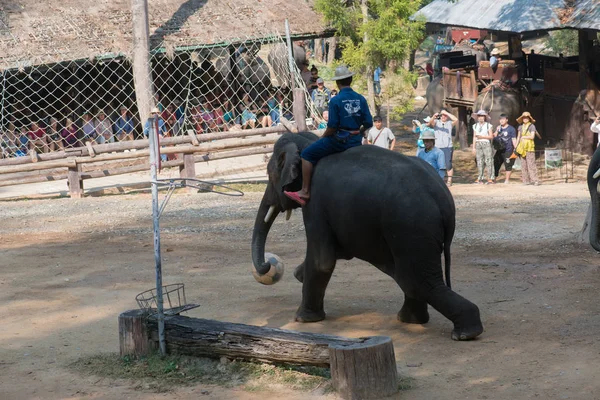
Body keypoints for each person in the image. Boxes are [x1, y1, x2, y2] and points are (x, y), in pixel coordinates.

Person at [284, 65, 373, 206]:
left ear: (338, 83)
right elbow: (368, 122)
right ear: (350, 80)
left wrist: (324, 136)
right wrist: (358, 132)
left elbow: (332, 126)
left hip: (340, 141)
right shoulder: (360, 98)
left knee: (307, 154)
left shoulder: (335, 100)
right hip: (356, 140)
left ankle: (305, 191)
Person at [428, 109, 458, 186]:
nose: (443, 117)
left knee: (448, 164)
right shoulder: (436, 123)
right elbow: (430, 123)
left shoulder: (449, 123)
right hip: (438, 146)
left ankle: (449, 180)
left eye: (445, 116)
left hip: (448, 146)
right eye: (442, 115)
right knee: (437, 164)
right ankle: (438, 179)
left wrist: (446, 112)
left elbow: (456, 119)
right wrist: (434, 116)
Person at [515, 111, 540, 186]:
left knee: (531, 164)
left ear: (529, 118)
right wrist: (516, 146)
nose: (525, 119)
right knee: (523, 165)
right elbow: (518, 137)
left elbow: (532, 136)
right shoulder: (520, 127)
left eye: (526, 117)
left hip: (529, 148)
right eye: (524, 118)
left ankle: (535, 180)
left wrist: (524, 137)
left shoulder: (532, 126)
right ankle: (526, 180)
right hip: (522, 148)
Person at [493, 113, 518, 184]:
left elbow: (514, 139)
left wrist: (515, 148)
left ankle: (507, 180)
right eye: (500, 119)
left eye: (503, 119)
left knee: (508, 164)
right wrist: (496, 131)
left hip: (508, 149)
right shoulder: (498, 128)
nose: (501, 121)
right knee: (496, 163)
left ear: (507, 120)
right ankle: (494, 179)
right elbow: (494, 136)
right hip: (499, 149)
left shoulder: (511, 129)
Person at [471, 109, 495, 184]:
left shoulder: (488, 125)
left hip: (486, 143)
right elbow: (474, 137)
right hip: (478, 144)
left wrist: (482, 137)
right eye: (479, 116)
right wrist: (473, 147)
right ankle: (480, 178)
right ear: (477, 117)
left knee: (489, 160)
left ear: (485, 117)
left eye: (482, 116)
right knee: (479, 161)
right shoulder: (475, 126)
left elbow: (491, 136)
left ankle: (490, 178)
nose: (481, 118)